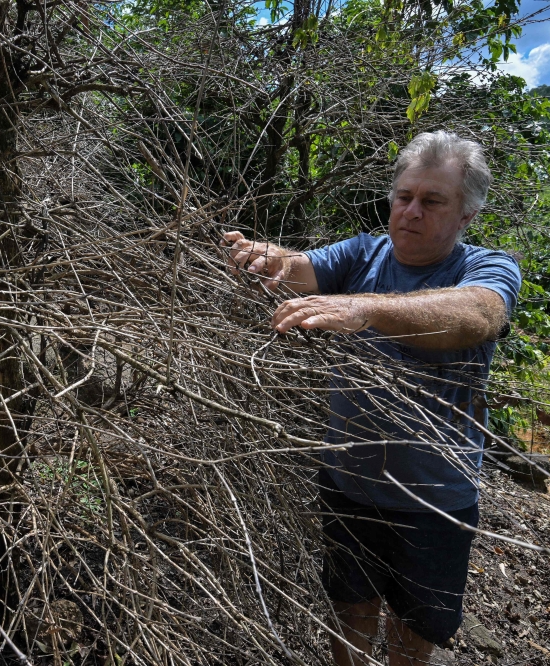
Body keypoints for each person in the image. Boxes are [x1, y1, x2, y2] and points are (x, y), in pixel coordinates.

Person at [222, 131, 521, 666]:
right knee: (349, 611)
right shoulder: (365, 251)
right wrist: (266, 260)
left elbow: (477, 315)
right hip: (349, 485)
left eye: (432, 201)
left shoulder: (487, 267)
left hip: (435, 500)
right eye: (404, 197)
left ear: (466, 217)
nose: (411, 212)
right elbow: (300, 268)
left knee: (414, 630)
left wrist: (367, 309)